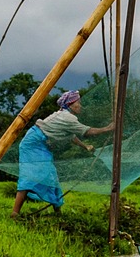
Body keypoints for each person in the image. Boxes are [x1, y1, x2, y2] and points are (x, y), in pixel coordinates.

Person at [12, 89, 113, 217]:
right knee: (29, 176)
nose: (80, 106)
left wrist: (85, 146)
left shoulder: (64, 116)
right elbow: (87, 131)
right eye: (78, 103)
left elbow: (71, 136)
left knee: (51, 175)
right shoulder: (67, 117)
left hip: (39, 143)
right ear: (70, 104)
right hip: (33, 144)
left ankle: (57, 213)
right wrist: (108, 128)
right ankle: (15, 214)